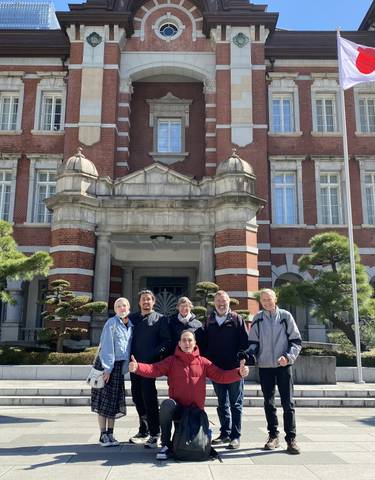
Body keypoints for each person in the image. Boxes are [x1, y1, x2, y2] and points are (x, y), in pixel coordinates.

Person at [129, 330, 249, 460]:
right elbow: (154, 369)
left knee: (197, 444)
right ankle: (165, 444)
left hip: (195, 411)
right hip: (178, 410)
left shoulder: (203, 362)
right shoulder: (171, 361)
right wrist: (137, 367)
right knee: (166, 405)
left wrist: (238, 373)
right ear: (179, 343)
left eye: (190, 340)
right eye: (184, 340)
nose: (187, 343)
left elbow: (220, 376)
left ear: (195, 343)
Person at [246, 288, 302, 454]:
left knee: (288, 403)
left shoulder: (285, 316)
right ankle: (273, 436)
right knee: (269, 403)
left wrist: (287, 357)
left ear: (275, 298)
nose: (267, 302)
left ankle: (291, 438)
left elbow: (296, 341)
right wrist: (249, 354)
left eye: (269, 298)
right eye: (263, 299)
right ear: (260, 302)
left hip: (283, 366)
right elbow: (253, 343)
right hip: (265, 367)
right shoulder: (257, 318)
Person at [198, 290, 249, 449]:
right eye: (218, 301)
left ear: (229, 302)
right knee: (222, 403)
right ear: (214, 302)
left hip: (234, 370)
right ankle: (225, 433)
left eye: (224, 301)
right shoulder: (209, 320)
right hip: (216, 370)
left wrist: (243, 361)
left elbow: (245, 343)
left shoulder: (236, 319)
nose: (221, 304)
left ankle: (235, 436)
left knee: (236, 403)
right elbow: (203, 344)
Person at [128, 289, 171, 448]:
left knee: (149, 397)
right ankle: (143, 429)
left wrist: (154, 355)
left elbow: (166, 341)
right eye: (143, 300)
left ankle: (155, 433)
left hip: (149, 366)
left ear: (153, 302)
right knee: (137, 397)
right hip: (134, 365)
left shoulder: (161, 319)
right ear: (139, 302)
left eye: (148, 299)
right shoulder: (131, 319)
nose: (146, 302)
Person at [91, 297, 133, 447]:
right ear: (115, 310)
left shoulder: (130, 325)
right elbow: (107, 347)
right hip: (107, 365)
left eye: (124, 306)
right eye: (118, 306)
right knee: (104, 401)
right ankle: (103, 435)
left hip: (118, 368)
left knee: (113, 401)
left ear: (128, 307)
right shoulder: (111, 323)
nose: (122, 308)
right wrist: (107, 369)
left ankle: (110, 433)